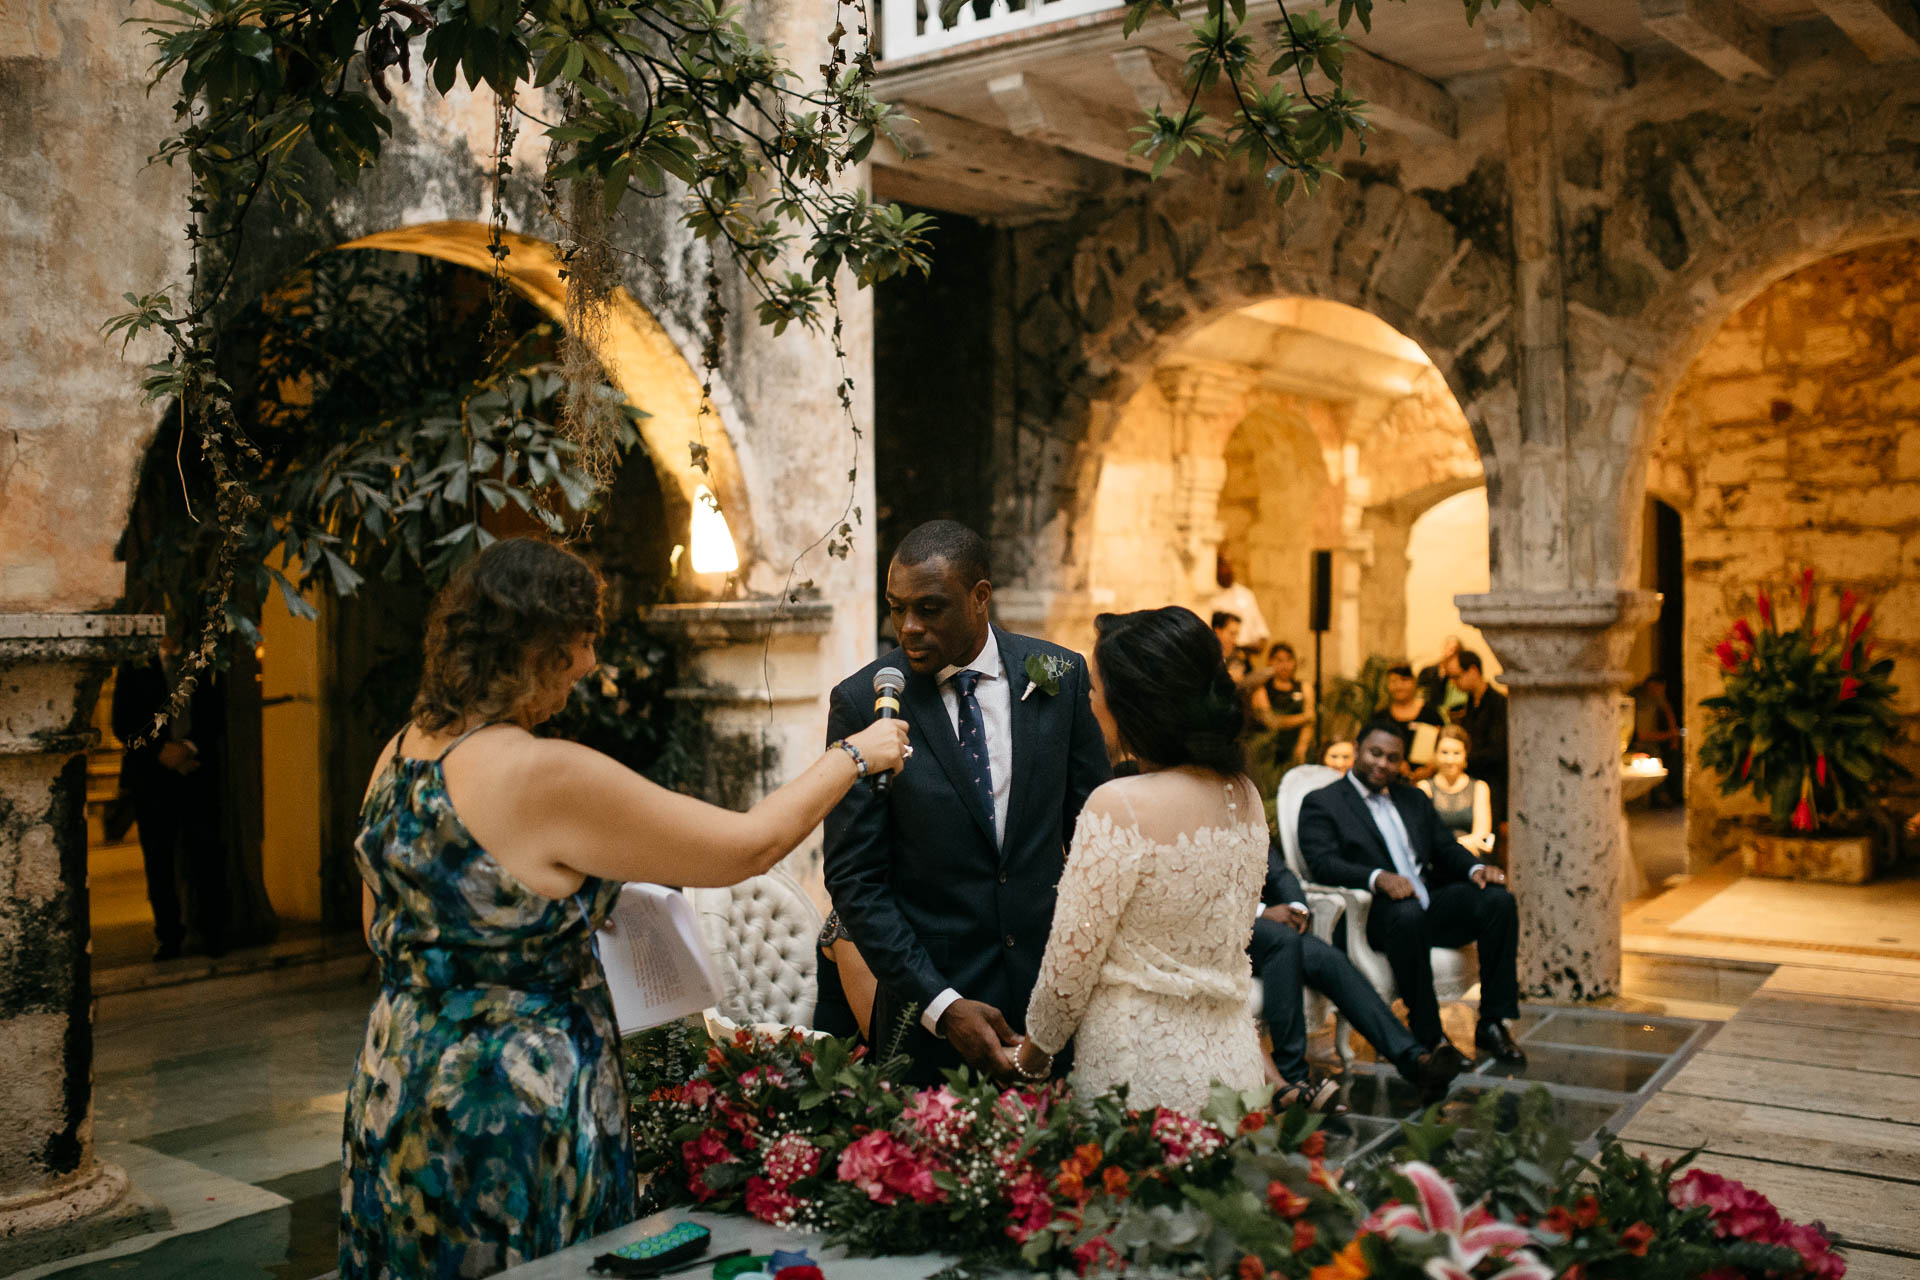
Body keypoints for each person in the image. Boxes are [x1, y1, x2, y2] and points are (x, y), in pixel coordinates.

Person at [340, 538, 910, 1279]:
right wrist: (855, 755)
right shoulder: (545, 775)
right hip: (515, 1102)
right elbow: (746, 845)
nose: (587, 666)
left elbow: (377, 929)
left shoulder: (399, 756)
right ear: (539, 647)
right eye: (581, 643)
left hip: (398, 1074)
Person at [823, 521, 1109, 1083]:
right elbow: (855, 879)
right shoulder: (863, 701)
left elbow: (1092, 835)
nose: (908, 628)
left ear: (981, 597)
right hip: (925, 1021)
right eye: (896, 607)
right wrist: (941, 1005)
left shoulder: (1060, 675)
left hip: (1049, 1006)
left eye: (930, 608)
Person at [1013, 607, 1268, 1114]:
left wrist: (1031, 1058)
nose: (1088, 701)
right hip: (1235, 1072)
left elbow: (1068, 971)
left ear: (1132, 702)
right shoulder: (1246, 793)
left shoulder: (1121, 805)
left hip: (1140, 1078)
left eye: (1095, 689)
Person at [1297, 722, 1525, 1066]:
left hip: (1427, 904)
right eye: (1375, 753)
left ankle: (1493, 1022)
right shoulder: (1323, 802)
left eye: (1392, 758)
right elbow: (1323, 863)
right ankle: (1429, 1036)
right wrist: (1378, 877)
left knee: (1498, 900)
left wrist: (1475, 870)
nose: (1382, 764)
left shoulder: (1413, 798)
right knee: (1407, 914)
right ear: (1358, 748)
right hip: (1377, 916)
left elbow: (1445, 848)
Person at [1250, 842, 1466, 1106]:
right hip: (1223, 928)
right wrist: (1263, 913)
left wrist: (1297, 907)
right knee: (1283, 943)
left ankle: (1414, 1060)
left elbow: (1280, 875)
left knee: (1330, 960)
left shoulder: (1245, 812)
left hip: (1275, 933)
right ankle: (1294, 1080)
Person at [110, 631, 232, 961]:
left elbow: (215, 713)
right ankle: (168, 936)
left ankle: (213, 931)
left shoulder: (202, 660)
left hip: (195, 771)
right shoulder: (135, 665)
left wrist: (189, 748)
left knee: (205, 853)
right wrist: (160, 752)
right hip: (152, 778)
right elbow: (122, 722)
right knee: (158, 860)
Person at [1450, 650, 1509, 824]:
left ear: (1473, 671)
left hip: (1493, 783)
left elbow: (1498, 751)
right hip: (1472, 780)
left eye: (1456, 676)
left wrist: (1463, 758)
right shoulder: (1469, 703)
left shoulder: (1498, 703)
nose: (1453, 683)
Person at [1418, 726, 1494, 856]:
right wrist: (1462, 845)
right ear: (1435, 753)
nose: (1450, 760)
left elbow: (1482, 835)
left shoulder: (1480, 787)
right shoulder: (1424, 787)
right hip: (1435, 862)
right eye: (1444, 752)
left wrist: (1447, 846)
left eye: (1456, 753)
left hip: (1471, 860)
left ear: (1466, 754)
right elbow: (1423, 835)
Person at [1248, 642, 1313, 769]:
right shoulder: (1261, 690)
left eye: (1289, 660)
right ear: (1270, 662)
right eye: (1280, 660)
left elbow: (1311, 722)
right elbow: (1272, 722)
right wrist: (1304, 717)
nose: (1285, 666)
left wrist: (1302, 746)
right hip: (1268, 753)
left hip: (1295, 749)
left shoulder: (1305, 687)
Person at [1383, 663, 1444, 779]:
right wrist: (1395, 763)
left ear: (1414, 682)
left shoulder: (1431, 713)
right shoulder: (1381, 717)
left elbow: (1444, 743)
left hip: (1428, 779)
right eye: (1393, 681)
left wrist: (1430, 768)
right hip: (1391, 780)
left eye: (1404, 680)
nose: (1399, 686)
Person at [1631, 674, 1683, 808]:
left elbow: (1667, 709)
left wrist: (1674, 736)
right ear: (1649, 685)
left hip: (1652, 741)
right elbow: (1638, 736)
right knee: (1654, 759)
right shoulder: (1633, 698)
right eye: (1657, 690)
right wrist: (1668, 735)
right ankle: (1661, 797)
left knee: (1676, 755)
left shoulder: (1656, 697)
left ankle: (1677, 794)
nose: (1659, 694)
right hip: (1636, 743)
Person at [1209, 554, 1270, 651]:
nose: (1228, 571)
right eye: (1223, 566)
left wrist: (1240, 649)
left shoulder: (1245, 594)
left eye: (1229, 566)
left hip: (1244, 655)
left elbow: (1262, 634)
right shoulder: (1209, 597)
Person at [1416, 636, 1463, 714]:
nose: (1452, 653)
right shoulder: (1427, 671)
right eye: (1451, 649)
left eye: (1456, 650)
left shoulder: (1458, 677)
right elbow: (1419, 693)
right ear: (1444, 648)